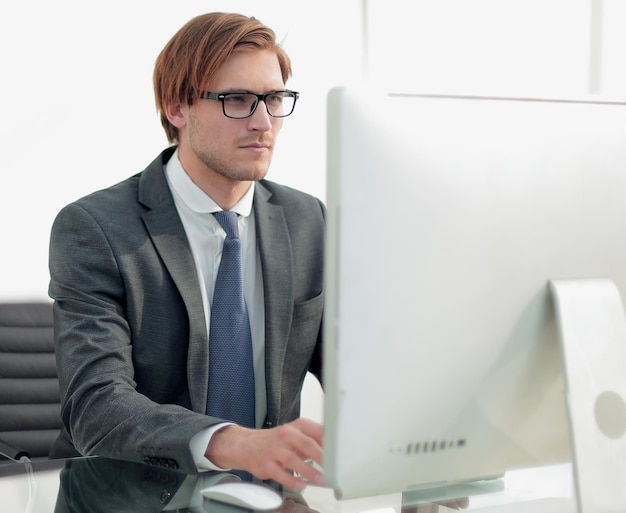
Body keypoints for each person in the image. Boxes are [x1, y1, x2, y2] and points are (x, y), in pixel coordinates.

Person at [48, 12, 325, 491]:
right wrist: (232, 442)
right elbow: (95, 405)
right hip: (126, 494)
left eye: (275, 99)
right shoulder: (96, 228)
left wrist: (427, 449)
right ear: (176, 108)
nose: (264, 122)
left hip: (268, 499)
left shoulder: (309, 221)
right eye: (237, 100)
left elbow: (358, 372)